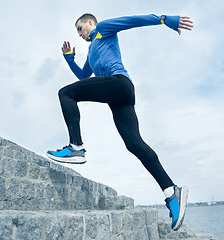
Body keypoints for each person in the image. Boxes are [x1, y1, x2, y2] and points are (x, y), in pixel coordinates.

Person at [47, 13, 193, 231]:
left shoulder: (103, 29)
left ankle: (76, 147)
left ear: (90, 23)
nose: (79, 34)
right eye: (77, 31)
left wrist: (165, 20)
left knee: (65, 93)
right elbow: (83, 77)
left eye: (80, 28)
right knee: (134, 144)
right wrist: (69, 59)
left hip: (119, 83)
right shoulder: (91, 52)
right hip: (119, 97)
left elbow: (133, 21)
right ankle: (172, 192)